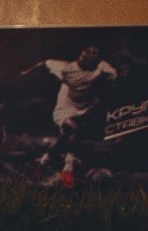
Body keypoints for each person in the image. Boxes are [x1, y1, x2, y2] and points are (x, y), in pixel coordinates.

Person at [24, 45, 117, 186]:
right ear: (81, 55)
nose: (92, 54)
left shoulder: (102, 66)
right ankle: (68, 168)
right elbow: (44, 63)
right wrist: (26, 72)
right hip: (65, 107)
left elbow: (114, 77)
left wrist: (101, 90)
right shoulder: (65, 68)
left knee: (66, 136)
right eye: (88, 52)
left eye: (95, 52)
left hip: (85, 108)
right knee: (74, 129)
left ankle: (44, 161)